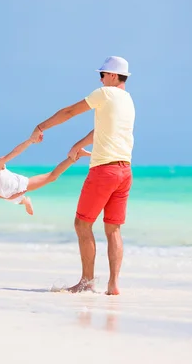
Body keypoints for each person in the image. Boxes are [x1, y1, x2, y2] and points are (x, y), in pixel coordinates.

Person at [30, 56, 135, 295]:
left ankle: (87, 282)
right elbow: (103, 129)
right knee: (113, 229)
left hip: (104, 170)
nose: (100, 79)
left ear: (111, 75)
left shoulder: (104, 94)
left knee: (82, 224)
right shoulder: (128, 101)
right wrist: (79, 143)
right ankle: (113, 285)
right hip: (124, 171)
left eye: (102, 75)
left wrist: (41, 127)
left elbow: (69, 112)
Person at [0, 139, 90, 215]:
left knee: (52, 177)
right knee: (19, 201)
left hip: (20, 185)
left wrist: (30, 141)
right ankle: (26, 201)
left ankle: (76, 155)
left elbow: (15, 152)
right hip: (8, 195)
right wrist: (8, 197)